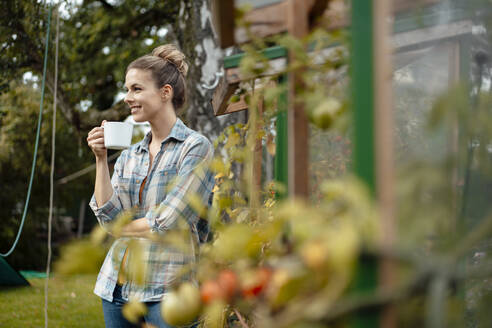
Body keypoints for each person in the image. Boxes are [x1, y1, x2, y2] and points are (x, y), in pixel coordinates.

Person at [87, 44, 215, 328]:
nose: (127, 97)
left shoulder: (195, 148)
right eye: (127, 89)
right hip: (117, 286)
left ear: (165, 93)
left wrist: (122, 228)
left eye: (136, 89)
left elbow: (171, 219)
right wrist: (100, 160)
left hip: (170, 288)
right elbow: (108, 215)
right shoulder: (130, 155)